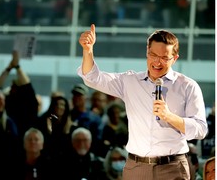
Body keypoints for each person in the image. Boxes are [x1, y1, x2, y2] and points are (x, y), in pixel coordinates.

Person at [77, 24, 208, 179]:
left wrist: (170, 116)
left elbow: (201, 129)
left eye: (164, 58)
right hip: (136, 168)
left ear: (175, 58)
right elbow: (92, 78)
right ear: (147, 52)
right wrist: (88, 50)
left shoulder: (187, 86)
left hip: (172, 168)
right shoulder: (130, 81)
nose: (157, 62)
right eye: (153, 55)